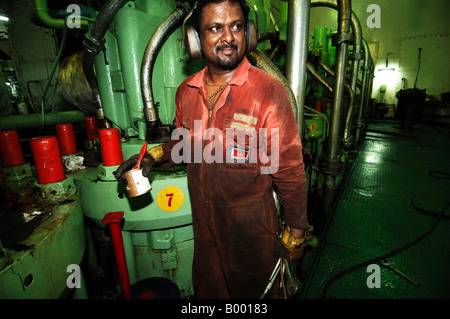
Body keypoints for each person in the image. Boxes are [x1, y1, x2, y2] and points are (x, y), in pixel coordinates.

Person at [114, 0, 308, 299]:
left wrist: (296, 231)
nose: (228, 37)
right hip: (204, 227)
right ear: (195, 39)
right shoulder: (186, 92)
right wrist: (151, 157)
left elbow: (288, 169)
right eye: (215, 28)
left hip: (251, 231)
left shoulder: (267, 92)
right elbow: (183, 146)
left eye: (236, 27)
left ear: (249, 34)